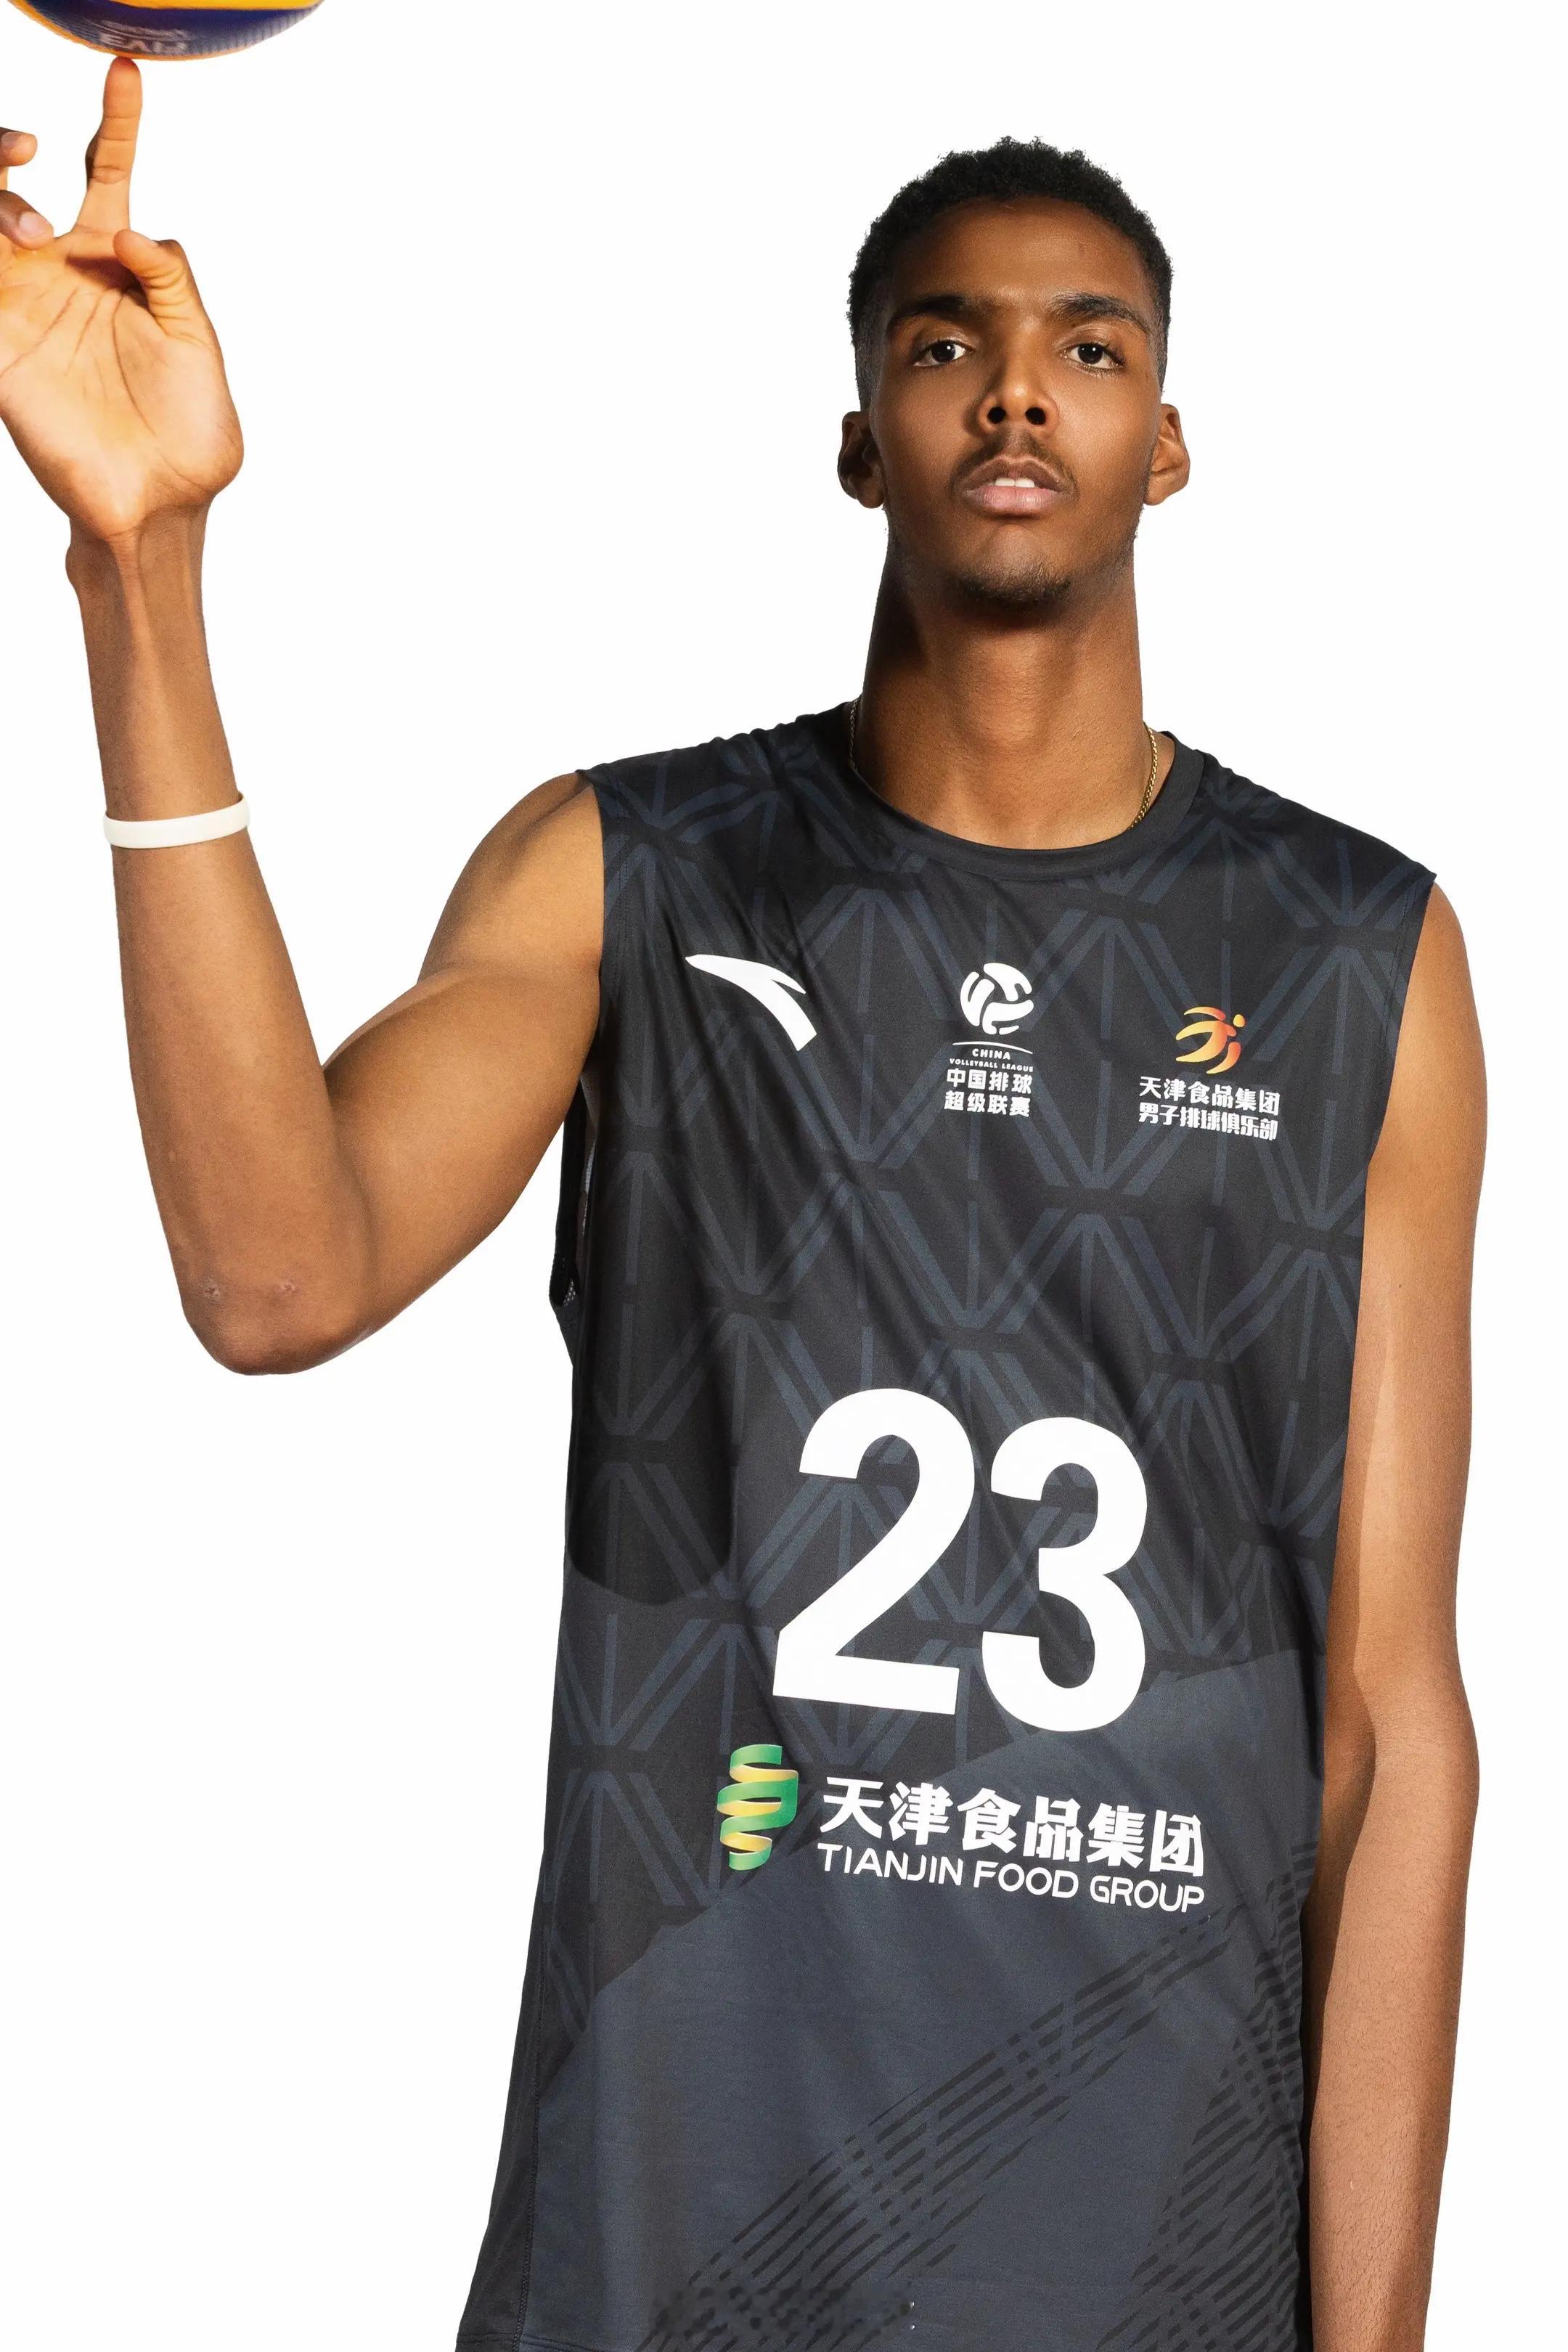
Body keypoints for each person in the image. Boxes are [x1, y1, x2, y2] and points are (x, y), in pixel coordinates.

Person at [1, 57, 1482, 2352]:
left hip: (1149, 2256)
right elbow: (277, 1274)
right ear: (859, 439)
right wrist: (142, 573)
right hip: (675, 2250)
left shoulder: (1354, 951)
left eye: (1090, 346)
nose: (1017, 390)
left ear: (1170, 443)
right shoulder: (631, 873)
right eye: (946, 342)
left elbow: (1388, 1726)